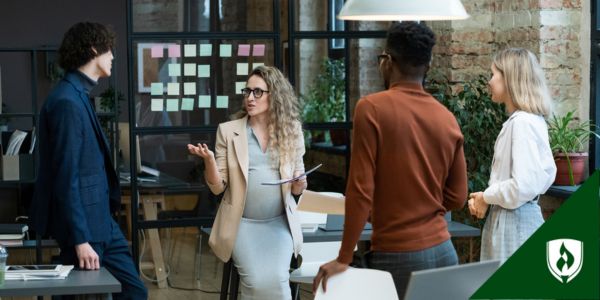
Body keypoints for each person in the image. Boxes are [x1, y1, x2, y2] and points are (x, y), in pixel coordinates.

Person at [313, 21, 468, 299]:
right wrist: (421, 206)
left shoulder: (371, 109)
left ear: (387, 61)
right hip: (444, 252)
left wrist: (344, 256)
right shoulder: (447, 118)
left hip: (397, 256)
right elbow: (458, 196)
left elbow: (360, 191)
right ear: (428, 67)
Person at [29, 22, 147, 299]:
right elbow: (65, 177)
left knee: (133, 292)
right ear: (94, 49)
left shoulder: (77, 95)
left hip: (101, 222)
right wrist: (80, 239)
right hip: (83, 227)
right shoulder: (67, 102)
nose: (113, 57)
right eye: (109, 51)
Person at [187, 65, 307, 299]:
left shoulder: (291, 131)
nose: (250, 98)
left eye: (258, 92)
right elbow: (217, 186)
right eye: (247, 91)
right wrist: (210, 161)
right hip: (242, 225)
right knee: (255, 282)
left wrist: (300, 183)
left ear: (275, 96)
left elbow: (298, 185)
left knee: (279, 282)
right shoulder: (228, 132)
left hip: (279, 224)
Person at [468, 48, 556, 264]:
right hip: (514, 218)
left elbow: (522, 186)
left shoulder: (522, 123)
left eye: (494, 74)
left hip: (513, 223)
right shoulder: (530, 120)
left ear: (509, 79)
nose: (489, 81)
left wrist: (486, 196)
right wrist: (488, 197)